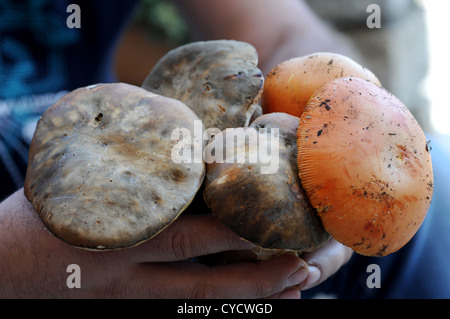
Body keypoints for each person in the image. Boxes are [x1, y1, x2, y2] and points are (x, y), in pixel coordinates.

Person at [0, 0, 448, 299]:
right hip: (66, 214)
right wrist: (16, 265)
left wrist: (337, 116)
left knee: (439, 189)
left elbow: (285, 32)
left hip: (135, 146)